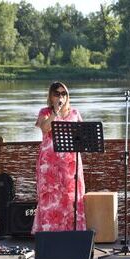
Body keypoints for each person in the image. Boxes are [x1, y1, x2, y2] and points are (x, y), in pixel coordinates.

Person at [32, 81, 86, 233]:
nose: (61, 96)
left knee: (70, 198)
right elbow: (45, 128)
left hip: (71, 163)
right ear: (51, 96)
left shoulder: (75, 113)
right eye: (57, 93)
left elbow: (83, 135)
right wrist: (55, 112)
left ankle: (72, 233)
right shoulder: (45, 112)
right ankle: (49, 234)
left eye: (64, 93)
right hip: (49, 164)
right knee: (50, 197)